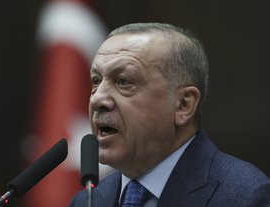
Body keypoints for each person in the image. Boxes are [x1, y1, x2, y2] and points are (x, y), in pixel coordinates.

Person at [70, 23, 270, 207]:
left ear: (184, 104)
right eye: (96, 81)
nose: (97, 99)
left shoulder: (246, 197)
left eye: (123, 81)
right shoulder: (86, 201)